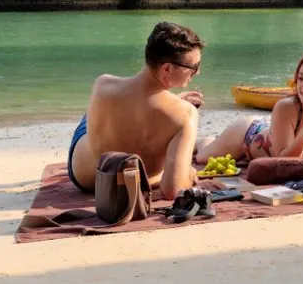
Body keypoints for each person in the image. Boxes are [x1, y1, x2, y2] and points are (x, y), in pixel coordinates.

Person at [67, 21, 206, 200]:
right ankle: (162, 105)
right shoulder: (186, 114)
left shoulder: (103, 84)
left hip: (85, 178)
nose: (198, 72)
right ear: (167, 68)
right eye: (194, 67)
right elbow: (173, 190)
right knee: (168, 124)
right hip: (133, 181)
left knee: (95, 115)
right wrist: (188, 174)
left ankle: (158, 104)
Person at [195, 52, 303, 163]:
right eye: (300, 79)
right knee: (202, 157)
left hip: (273, 131)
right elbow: (284, 161)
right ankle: (203, 141)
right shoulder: (286, 107)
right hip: (247, 133)